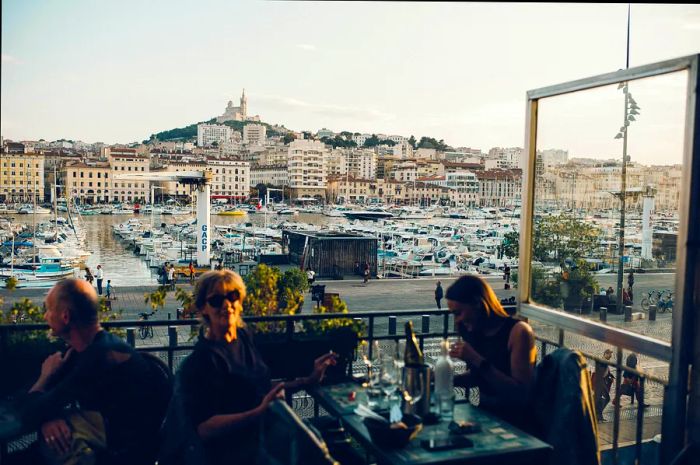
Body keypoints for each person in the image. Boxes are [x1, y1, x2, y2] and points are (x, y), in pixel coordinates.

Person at [168, 269, 337, 465]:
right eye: (216, 300)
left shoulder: (242, 338)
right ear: (203, 308)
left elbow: (262, 387)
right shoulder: (202, 361)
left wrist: (309, 379)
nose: (226, 305)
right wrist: (257, 412)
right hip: (234, 453)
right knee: (313, 446)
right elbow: (204, 429)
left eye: (233, 296)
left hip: (261, 434)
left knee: (330, 432)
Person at [14, 279, 167, 465]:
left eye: (48, 310)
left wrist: (45, 377)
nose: (45, 316)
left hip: (120, 456)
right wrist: (49, 417)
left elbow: (28, 414)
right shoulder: (96, 348)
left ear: (65, 317)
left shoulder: (99, 358)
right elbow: (44, 405)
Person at [447, 275, 537, 428]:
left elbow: (521, 394)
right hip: (485, 416)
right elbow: (480, 377)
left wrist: (476, 359)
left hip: (517, 424)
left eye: (458, 313)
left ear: (478, 304)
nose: (457, 320)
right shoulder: (476, 330)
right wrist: (443, 379)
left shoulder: (518, 332)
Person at [592, 349, 615, 419]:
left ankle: (599, 414)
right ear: (605, 354)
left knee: (600, 398)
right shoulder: (602, 362)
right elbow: (600, 373)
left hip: (601, 382)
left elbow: (605, 372)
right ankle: (597, 414)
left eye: (611, 354)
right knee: (602, 398)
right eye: (610, 354)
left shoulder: (604, 361)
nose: (611, 356)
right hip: (600, 382)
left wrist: (610, 376)